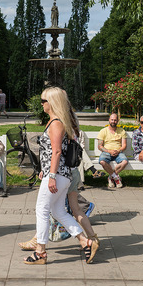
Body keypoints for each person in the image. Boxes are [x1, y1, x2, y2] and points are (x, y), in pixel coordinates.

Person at [23, 86, 99, 265]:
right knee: (58, 211)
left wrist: (51, 175)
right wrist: (46, 169)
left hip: (57, 175)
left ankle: (40, 251)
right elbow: (51, 152)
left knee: (41, 209)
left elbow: (57, 152)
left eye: (43, 101)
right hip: (60, 174)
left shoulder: (56, 123)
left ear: (52, 103)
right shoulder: (56, 121)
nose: (41, 104)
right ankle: (85, 241)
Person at [97, 113, 128, 188]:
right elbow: (100, 146)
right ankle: (116, 178)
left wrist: (118, 151)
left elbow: (124, 145)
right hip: (107, 152)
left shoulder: (122, 131)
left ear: (117, 121)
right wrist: (109, 151)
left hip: (118, 152)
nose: (113, 121)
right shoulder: (103, 131)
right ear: (109, 120)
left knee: (125, 162)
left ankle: (111, 177)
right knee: (102, 162)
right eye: (112, 120)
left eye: (115, 120)